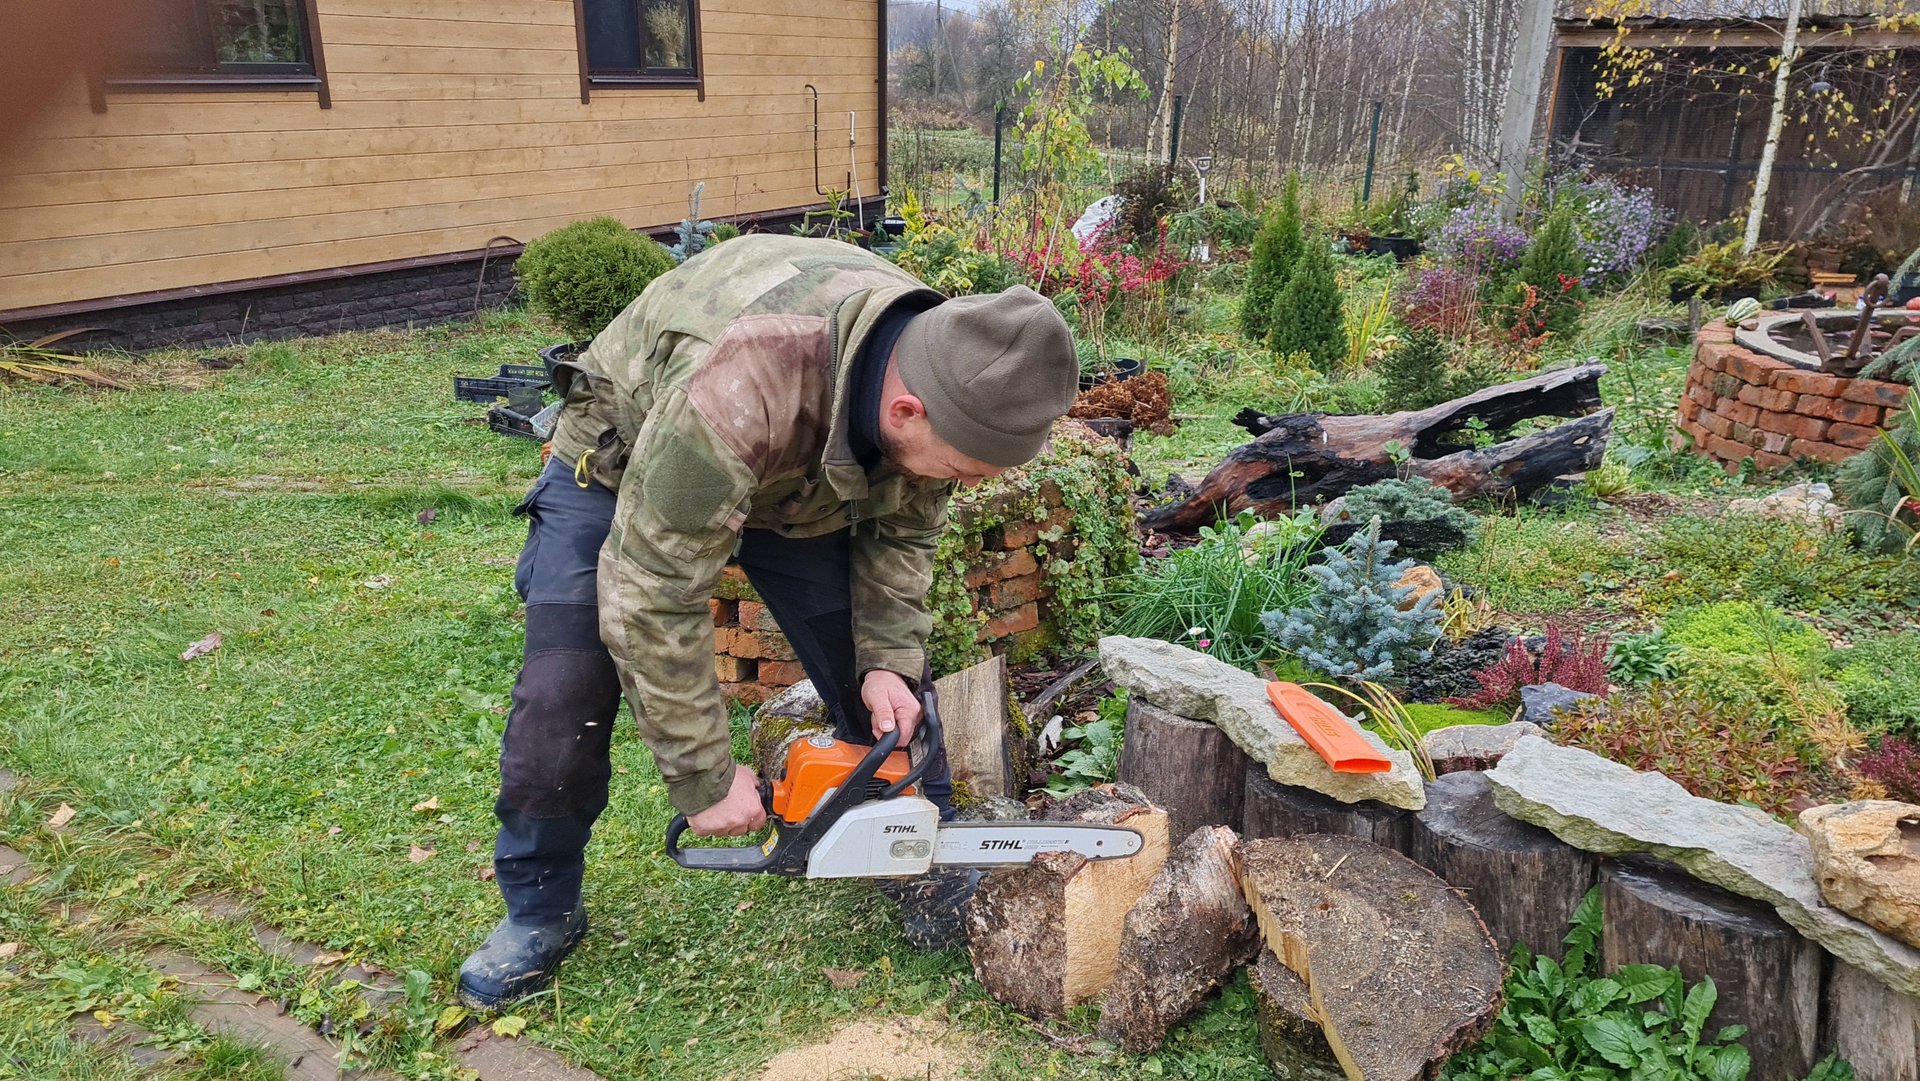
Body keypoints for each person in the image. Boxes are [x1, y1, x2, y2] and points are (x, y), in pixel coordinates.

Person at [457, 233, 1079, 1009]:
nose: (962, 484)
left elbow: (905, 529)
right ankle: (540, 906)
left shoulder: (946, 362)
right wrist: (703, 773)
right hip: (626, 464)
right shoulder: (738, 384)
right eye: (961, 469)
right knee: (563, 691)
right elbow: (652, 588)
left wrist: (886, 654)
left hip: (803, 480)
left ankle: (922, 853)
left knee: (885, 689)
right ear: (904, 408)